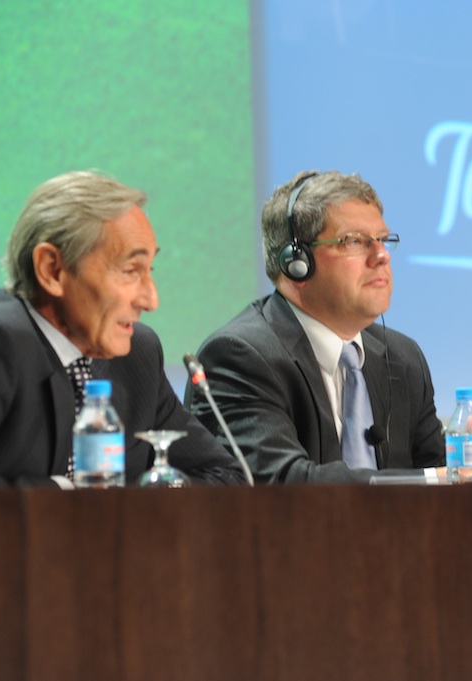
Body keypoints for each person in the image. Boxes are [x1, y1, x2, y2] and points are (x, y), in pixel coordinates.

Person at [0, 171, 245, 488]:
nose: (151, 300)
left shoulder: (138, 354)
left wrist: (133, 510)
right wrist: (70, 498)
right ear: (52, 270)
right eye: (130, 271)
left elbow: (225, 477)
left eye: (150, 270)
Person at [185, 170, 445, 483]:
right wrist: (432, 479)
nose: (381, 256)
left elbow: (444, 471)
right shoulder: (240, 356)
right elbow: (285, 483)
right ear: (297, 263)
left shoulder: (403, 357)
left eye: (383, 240)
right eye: (355, 241)